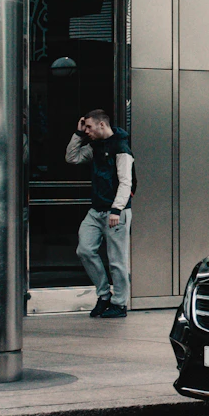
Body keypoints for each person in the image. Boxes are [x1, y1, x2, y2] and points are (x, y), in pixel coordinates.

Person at [65, 109, 134, 318]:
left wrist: (116, 209)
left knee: (117, 261)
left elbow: (126, 182)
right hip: (96, 211)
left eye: (89, 127)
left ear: (102, 125)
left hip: (115, 212)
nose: (87, 131)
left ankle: (119, 304)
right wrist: (78, 134)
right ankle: (104, 295)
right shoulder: (94, 147)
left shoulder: (121, 148)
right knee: (85, 250)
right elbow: (72, 158)